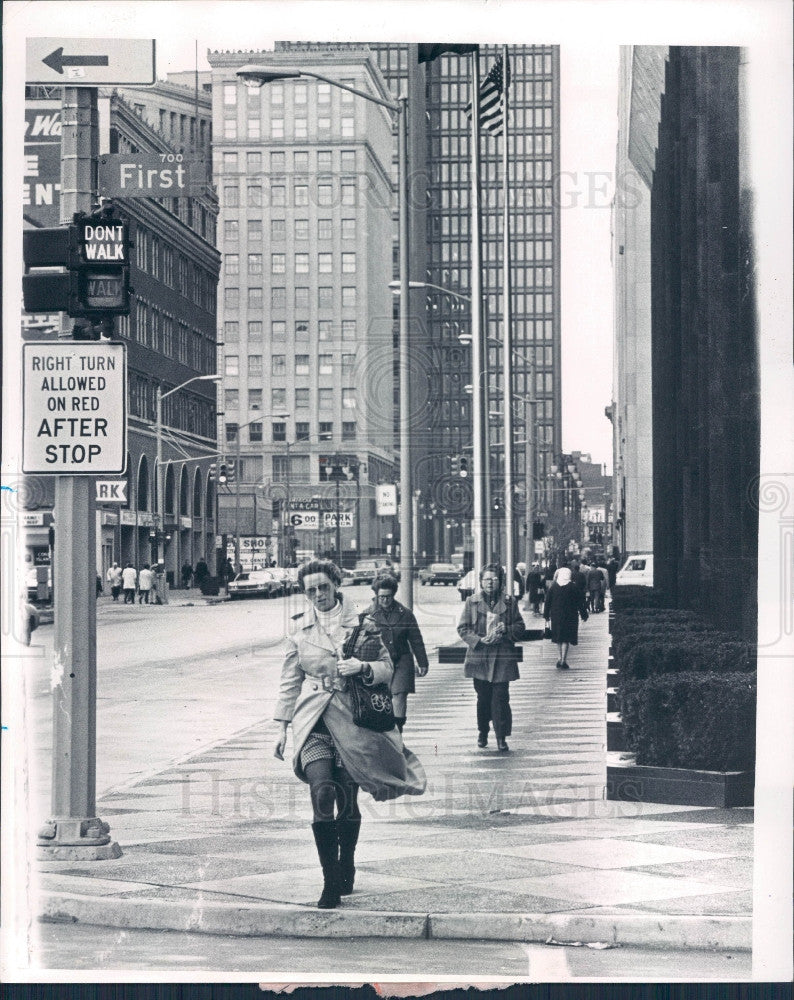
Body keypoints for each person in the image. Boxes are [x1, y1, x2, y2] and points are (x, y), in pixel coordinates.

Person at [273, 559, 426, 910]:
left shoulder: (363, 624)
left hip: (353, 721)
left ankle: (347, 861)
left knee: (347, 798)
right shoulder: (299, 630)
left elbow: (387, 669)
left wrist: (363, 668)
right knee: (321, 791)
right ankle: (330, 882)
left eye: (323, 587)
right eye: (310, 590)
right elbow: (288, 682)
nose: (317, 595)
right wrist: (281, 728)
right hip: (313, 721)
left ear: (336, 584)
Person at [457, 563, 526, 752]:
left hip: (503, 657)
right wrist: (478, 641)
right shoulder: (472, 602)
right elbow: (463, 628)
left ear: (500, 582)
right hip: (480, 657)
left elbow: (521, 627)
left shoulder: (510, 602)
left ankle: (501, 736)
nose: (490, 583)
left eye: (494, 579)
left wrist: (507, 629)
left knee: (501, 698)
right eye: (486, 579)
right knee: (483, 698)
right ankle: (482, 731)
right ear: (480, 582)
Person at [366, 572, 429, 733]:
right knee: (380, 698)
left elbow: (416, 639)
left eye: (388, 596)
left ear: (393, 594)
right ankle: (384, 733)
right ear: (376, 595)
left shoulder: (405, 614)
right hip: (378, 661)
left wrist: (422, 662)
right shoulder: (367, 615)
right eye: (382, 597)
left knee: (400, 695)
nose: (385, 600)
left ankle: (398, 731)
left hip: (402, 659)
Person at [544, 566, 589, 670]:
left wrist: (546, 615)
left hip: (556, 616)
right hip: (570, 616)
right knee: (566, 638)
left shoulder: (553, 587)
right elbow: (580, 602)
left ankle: (559, 658)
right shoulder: (573, 587)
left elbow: (547, 602)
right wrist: (584, 615)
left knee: (558, 638)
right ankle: (564, 660)